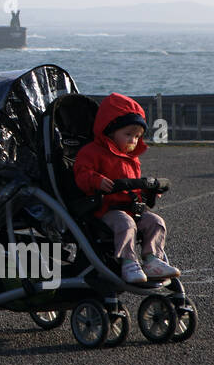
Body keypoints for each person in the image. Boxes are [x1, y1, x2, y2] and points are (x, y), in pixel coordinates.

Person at [73, 92, 181, 285]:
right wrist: (96, 181)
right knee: (126, 224)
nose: (133, 140)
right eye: (128, 134)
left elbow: (133, 185)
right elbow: (81, 174)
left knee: (155, 222)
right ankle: (128, 262)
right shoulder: (92, 152)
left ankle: (152, 259)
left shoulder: (132, 159)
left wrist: (148, 191)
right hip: (104, 209)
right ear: (110, 131)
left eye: (137, 136)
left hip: (131, 208)